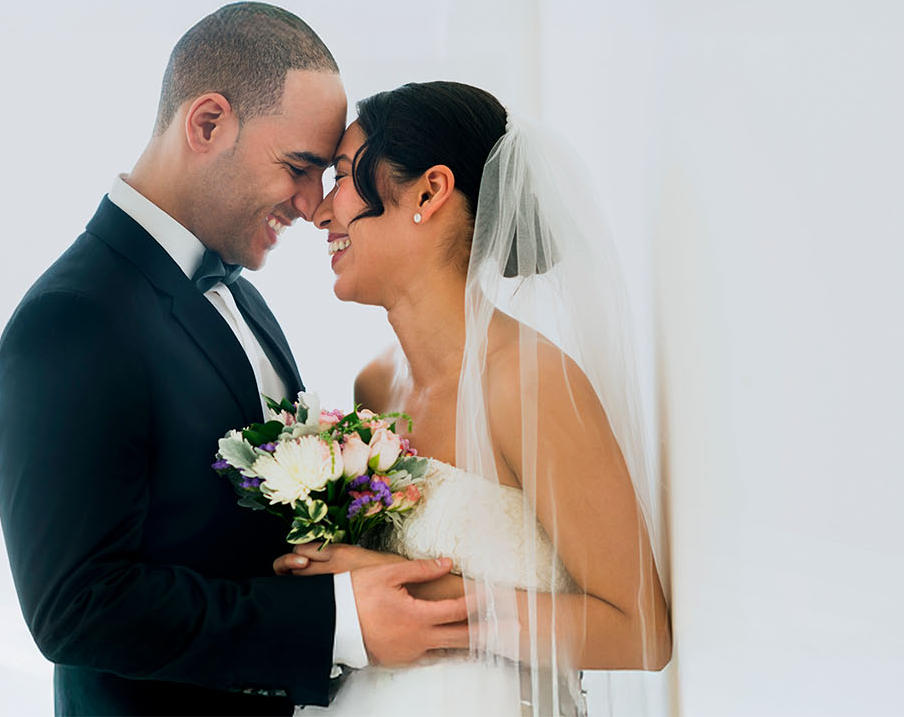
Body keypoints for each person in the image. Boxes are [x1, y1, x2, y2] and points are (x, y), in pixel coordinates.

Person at [0, 4, 471, 716]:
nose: (314, 206)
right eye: (300, 167)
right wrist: (339, 622)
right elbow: (79, 607)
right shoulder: (72, 320)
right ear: (207, 124)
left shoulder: (241, 300)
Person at [284, 82, 672, 715]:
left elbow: (641, 633)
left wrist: (389, 585)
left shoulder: (532, 385)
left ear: (431, 191)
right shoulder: (374, 387)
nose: (321, 212)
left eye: (344, 177)